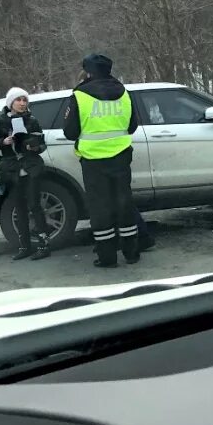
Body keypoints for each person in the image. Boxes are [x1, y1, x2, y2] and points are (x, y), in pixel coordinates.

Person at [63, 53, 151, 268]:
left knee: (100, 208)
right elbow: (131, 126)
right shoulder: (124, 92)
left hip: (93, 160)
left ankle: (107, 257)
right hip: (121, 156)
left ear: (89, 72)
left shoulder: (80, 95)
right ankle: (131, 252)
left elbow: (70, 131)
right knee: (124, 202)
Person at [0, 87, 50, 261]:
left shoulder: (32, 120)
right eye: (18, 100)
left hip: (31, 168)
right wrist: (3, 141)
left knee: (35, 205)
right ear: (10, 102)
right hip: (12, 171)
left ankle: (44, 245)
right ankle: (24, 247)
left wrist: (35, 146)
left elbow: (42, 144)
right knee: (19, 208)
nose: (22, 103)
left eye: (24, 100)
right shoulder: (0, 122)